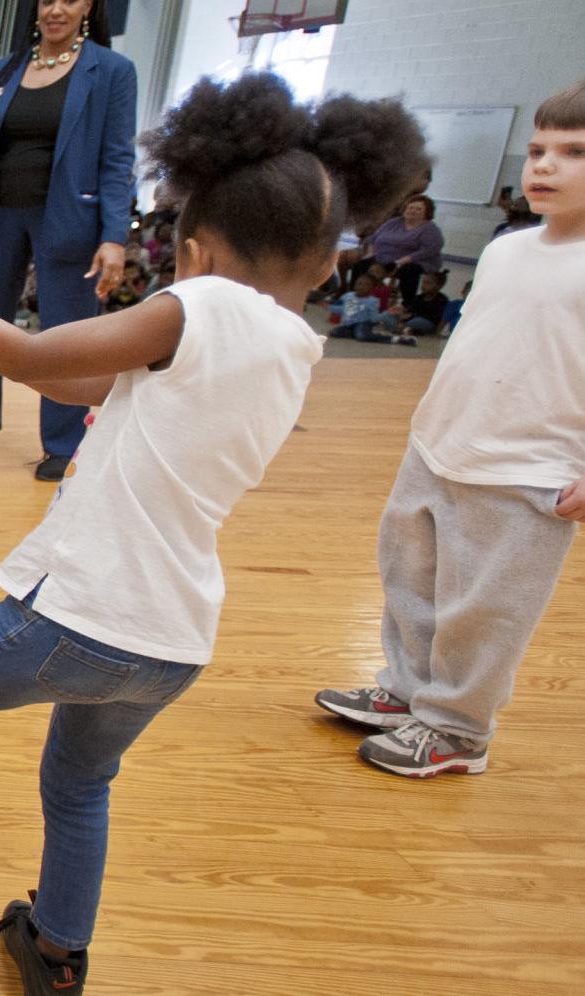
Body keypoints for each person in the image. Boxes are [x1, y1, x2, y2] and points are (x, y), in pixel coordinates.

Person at [0, 73, 427, 993]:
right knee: (76, 786)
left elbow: (30, 353)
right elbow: (77, 383)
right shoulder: (290, 348)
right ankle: (56, 952)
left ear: (194, 248)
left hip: (83, 614)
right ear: (320, 263)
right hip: (171, 642)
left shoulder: (203, 306)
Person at [314, 80, 585, 778]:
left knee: (483, 609)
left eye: (572, 153)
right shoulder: (506, 249)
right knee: (410, 578)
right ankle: (407, 690)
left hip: (526, 468)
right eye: (536, 150)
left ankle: (458, 728)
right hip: (439, 445)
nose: (543, 167)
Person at [0, 0, 138, 482]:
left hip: (68, 218)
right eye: (46, 0)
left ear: (89, 7)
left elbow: (118, 159)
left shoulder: (112, 71)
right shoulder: (5, 69)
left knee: (66, 336)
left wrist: (114, 236)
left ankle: (63, 443)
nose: (56, 9)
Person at [362, 194, 443, 306]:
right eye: (410, 208)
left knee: (408, 271)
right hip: (384, 258)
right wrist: (370, 254)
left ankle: (407, 305)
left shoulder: (429, 228)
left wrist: (403, 260)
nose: (412, 211)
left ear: (427, 212)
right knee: (362, 264)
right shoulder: (394, 222)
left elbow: (429, 250)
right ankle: (356, 297)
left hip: (416, 261)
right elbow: (373, 237)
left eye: (418, 209)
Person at [330, 272, 416, 345]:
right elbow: (340, 309)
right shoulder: (348, 296)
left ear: (372, 288)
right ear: (355, 284)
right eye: (359, 283)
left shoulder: (372, 301)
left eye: (367, 285)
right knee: (334, 332)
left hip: (363, 323)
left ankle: (394, 339)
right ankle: (359, 333)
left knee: (362, 336)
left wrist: (386, 314)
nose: (362, 286)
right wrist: (328, 306)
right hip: (348, 324)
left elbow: (374, 318)